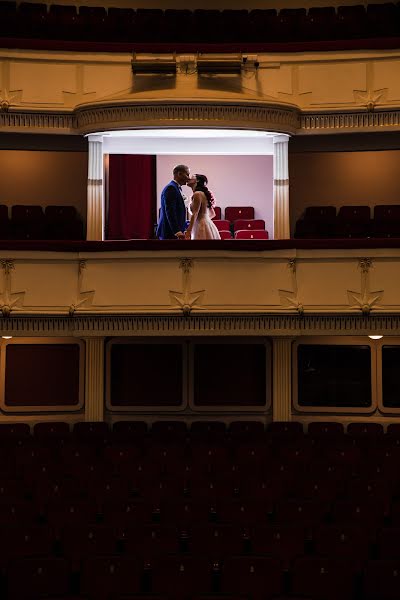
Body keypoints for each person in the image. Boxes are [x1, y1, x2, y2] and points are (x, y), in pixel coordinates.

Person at [156, 164, 190, 240]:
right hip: (169, 232)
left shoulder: (177, 188)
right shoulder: (171, 188)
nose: (188, 178)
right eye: (187, 174)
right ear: (179, 174)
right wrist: (177, 231)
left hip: (173, 231)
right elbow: (170, 211)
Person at [184, 174, 221, 240]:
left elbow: (195, 214)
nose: (189, 179)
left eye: (192, 177)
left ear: (197, 180)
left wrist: (188, 231)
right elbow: (213, 214)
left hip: (200, 226)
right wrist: (205, 220)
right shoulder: (202, 194)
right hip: (207, 224)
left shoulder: (197, 194)